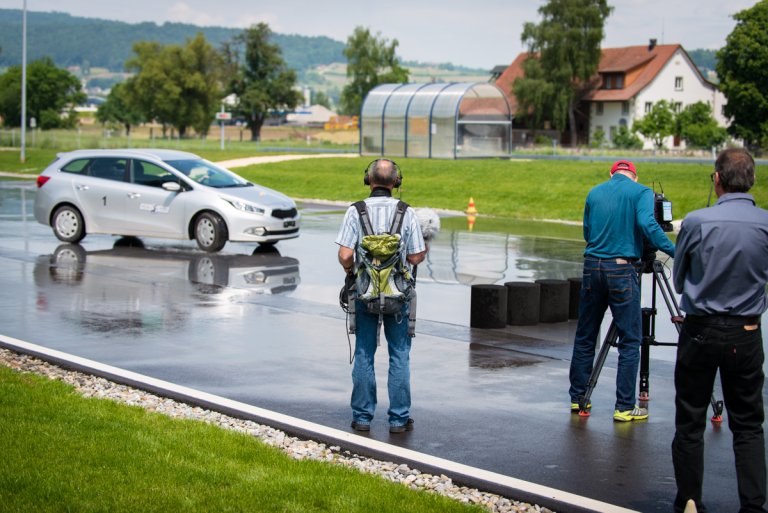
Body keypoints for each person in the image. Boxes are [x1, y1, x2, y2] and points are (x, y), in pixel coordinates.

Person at [671, 148, 768, 513]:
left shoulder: (696, 222)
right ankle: (753, 505)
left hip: (701, 328)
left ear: (717, 179)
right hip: (745, 329)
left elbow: (679, 280)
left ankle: (690, 499)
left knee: (690, 418)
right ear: (752, 180)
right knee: (748, 424)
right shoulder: (765, 222)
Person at [569, 160, 675, 421]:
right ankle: (625, 407)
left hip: (592, 267)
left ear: (611, 174)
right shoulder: (641, 193)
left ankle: (577, 398)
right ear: (635, 176)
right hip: (622, 270)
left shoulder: (594, 192)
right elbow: (648, 225)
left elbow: (587, 231)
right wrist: (675, 250)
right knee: (630, 340)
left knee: (586, 335)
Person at [335, 159, 426, 434]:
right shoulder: (406, 213)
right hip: (398, 297)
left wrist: (352, 273)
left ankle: (362, 417)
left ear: (368, 180)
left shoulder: (355, 211)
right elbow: (415, 256)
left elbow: (345, 254)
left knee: (364, 353)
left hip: (364, 295)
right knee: (399, 355)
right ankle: (399, 419)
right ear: (396, 182)